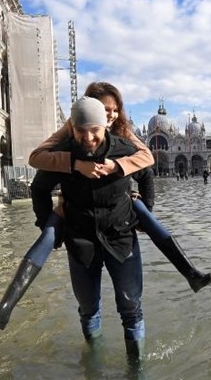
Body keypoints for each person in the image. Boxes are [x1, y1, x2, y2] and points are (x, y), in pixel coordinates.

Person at [0, 82, 211, 332]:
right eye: (103, 109)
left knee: (132, 306)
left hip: (120, 230)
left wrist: (119, 170)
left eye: (113, 110)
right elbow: (38, 171)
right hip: (80, 234)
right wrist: (74, 165)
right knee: (86, 306)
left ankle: (190, 273)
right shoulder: (68, 137)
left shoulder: (123, 137)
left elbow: (147, 164)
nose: (108, 115)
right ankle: (5, 309)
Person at [30, 97, 153, 361]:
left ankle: (136, 368)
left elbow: (146, 173)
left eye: (94, 130)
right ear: (72, 129)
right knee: (88, 308)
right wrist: (48, 227)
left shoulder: (124, 148)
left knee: (131, 307)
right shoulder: (63, 155)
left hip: (121, 239)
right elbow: (38, 188)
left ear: (105, 126)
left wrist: (146, 214)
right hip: (80, 242)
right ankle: (93, 365)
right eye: (80, 130)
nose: (88, 137)